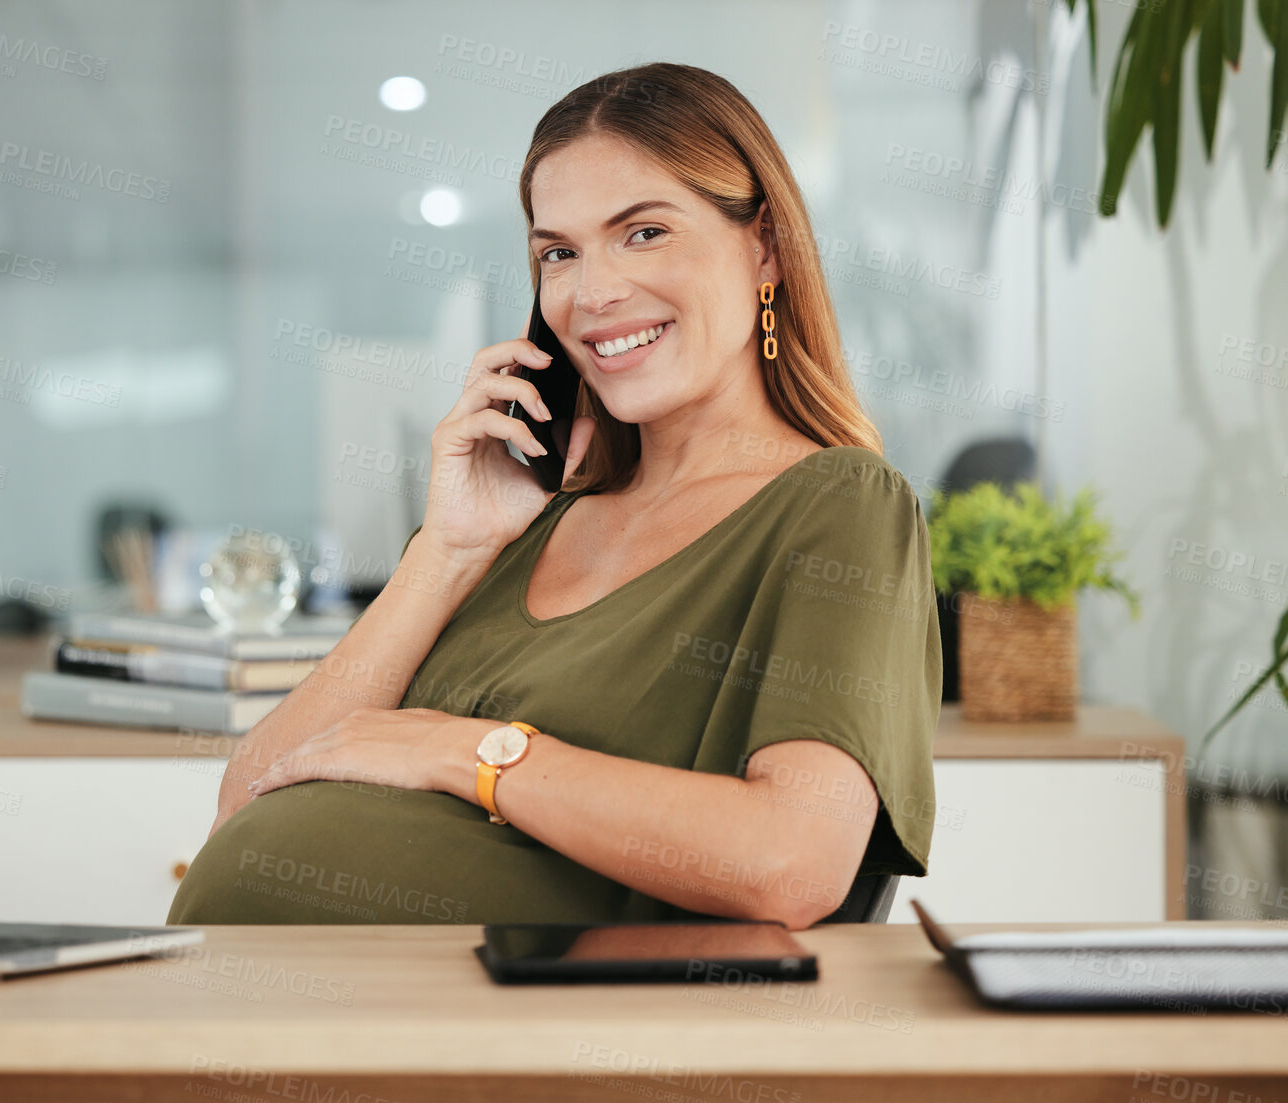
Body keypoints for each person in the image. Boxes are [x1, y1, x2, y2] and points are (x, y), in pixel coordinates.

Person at [168, 62, 939, 929]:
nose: (591, 293)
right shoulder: (528, 525)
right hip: (277, 1028)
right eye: (557, 254)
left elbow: (792, 861)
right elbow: (249, 796)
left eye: (644, 232)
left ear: (764, 246)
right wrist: (449, 549)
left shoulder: (842, 504)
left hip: (539, 1050)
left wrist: (466, 752)